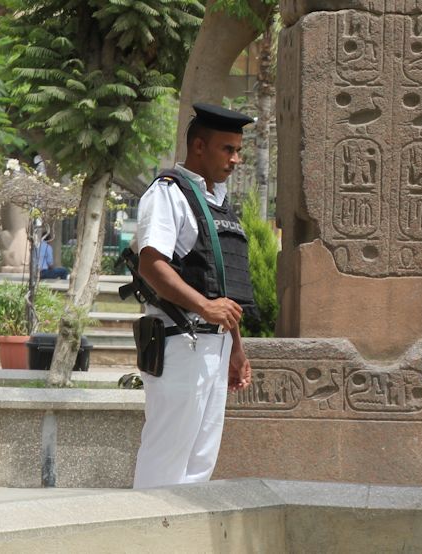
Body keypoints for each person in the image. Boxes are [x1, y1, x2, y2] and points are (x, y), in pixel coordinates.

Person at [133, 103, 255, 489]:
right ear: (199, 146)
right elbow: (151, 264)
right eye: (227, 149)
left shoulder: (219, 202)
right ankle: (148, 526)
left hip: (214, 346)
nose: (235, 159)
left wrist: (236, 348)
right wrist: (204, 307)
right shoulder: (169, 193)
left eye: (238, 150)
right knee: (167, 457)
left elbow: (223, 288)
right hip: (181, 342)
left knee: (200, 462)